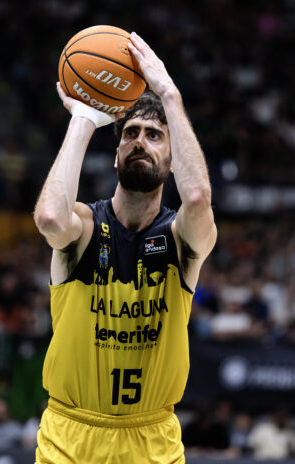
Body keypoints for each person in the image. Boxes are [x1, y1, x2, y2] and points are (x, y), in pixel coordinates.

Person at [33, 31, 217, 463]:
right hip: (70, 436)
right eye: (130, 133)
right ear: (116, 155)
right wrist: (83, 117)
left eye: (154, 136)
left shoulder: (181, 239)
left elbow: (197, 198)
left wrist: (169, 94)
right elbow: (49, 218)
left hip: (151, 439)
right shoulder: (83, 225)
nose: (140, 141)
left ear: (172, 163)